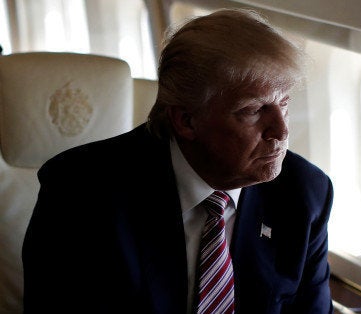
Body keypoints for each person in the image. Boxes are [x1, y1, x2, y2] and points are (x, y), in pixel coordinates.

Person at [22, 9, 333, 314]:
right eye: (253, 111)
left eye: (284, 103)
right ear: (186, 120)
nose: (281, 131)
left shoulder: (304, 193)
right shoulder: (79, 192)